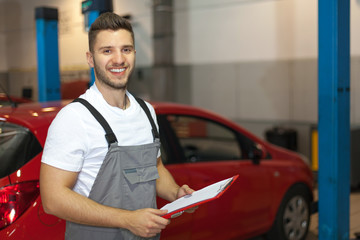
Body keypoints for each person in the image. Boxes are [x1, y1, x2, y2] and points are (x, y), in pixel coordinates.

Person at [40, 12, 195, 240]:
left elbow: (155, 167)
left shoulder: (146, 112)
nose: (119, 59)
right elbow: (52, 200)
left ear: (134, 53)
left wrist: (175, 193)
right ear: (91, 59)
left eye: (126, 49)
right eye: (107, 51)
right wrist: (127, 220)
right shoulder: (74, 118)